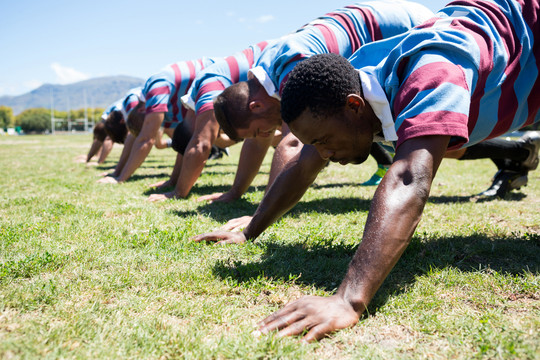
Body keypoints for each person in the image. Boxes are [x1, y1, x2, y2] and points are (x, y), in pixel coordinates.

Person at [193, 0, 540, 341]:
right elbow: (303, 164)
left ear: (355, 107)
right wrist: (250, 229)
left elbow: (409, 177)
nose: (325, 153)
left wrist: (347, 300)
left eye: (326, 140)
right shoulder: (347, 88)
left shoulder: (430, 72)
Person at [199, 0, 433, 204]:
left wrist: (260, 212)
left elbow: (293, 144)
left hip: (409, 25)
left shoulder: (292, 67)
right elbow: (258, 143)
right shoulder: (268, 72)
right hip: (392, 14)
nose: (268, 133)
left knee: (428, 130)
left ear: (256, 106)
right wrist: (235, 192)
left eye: (262, 130)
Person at [146, 40, 283, 200]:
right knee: (259, 133)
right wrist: (173, 181)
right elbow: (190, 146)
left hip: (280, 54)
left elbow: (199, 145)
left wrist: (177, 193)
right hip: (268, 60)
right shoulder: (195, 102)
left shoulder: (210, 89)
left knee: (267, 133)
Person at [98, 58, 218, 184]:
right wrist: (172, 181)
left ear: (142, 111)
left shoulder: (157, 88)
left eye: (148, 126)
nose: (154, 128)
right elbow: (185, 140)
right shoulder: (168, 107)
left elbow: (146, 139)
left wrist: (120, 178)